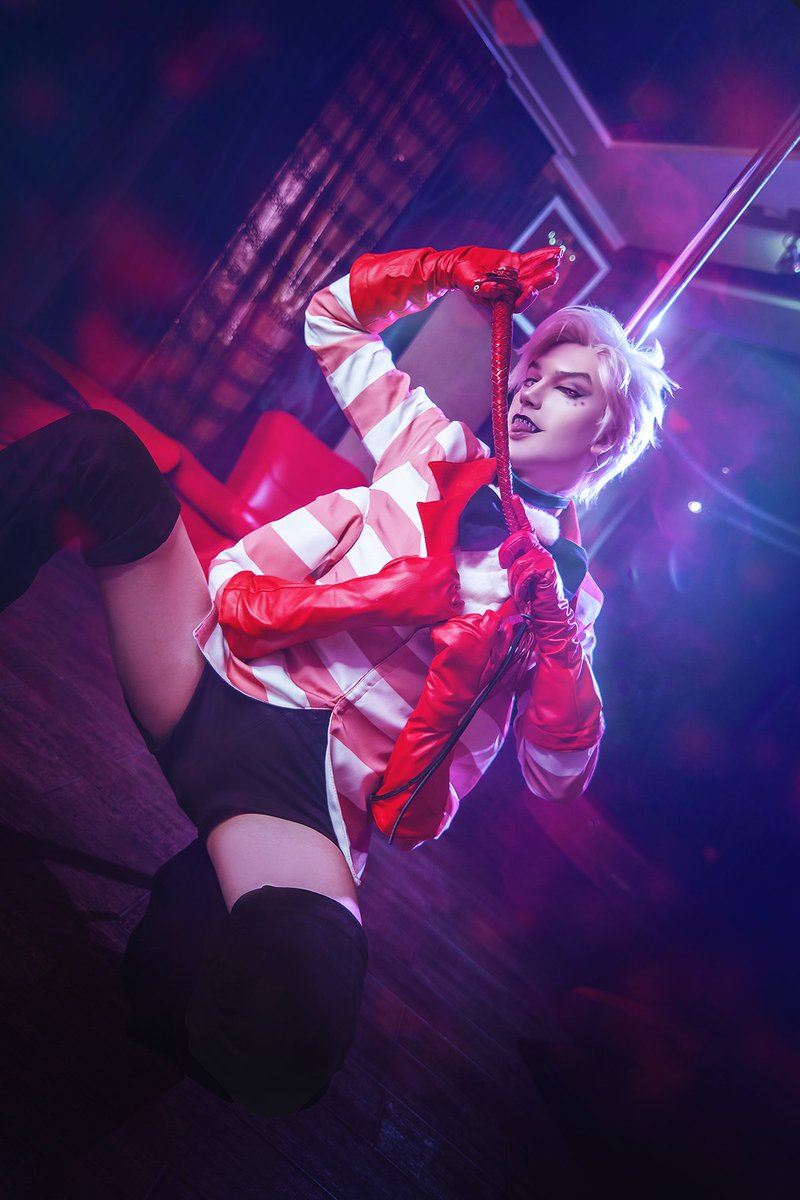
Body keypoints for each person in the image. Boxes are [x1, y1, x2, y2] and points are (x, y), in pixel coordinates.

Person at [0, 244, 673, 1115]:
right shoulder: (431, 446)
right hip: (208, 670)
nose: (532, 392)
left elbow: (556, 777)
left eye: (569, 389)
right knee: (96, 452)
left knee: (294, 1019)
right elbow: (332, 320)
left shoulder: (570, 601)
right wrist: (441, 271)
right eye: (532, 373)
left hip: (300, 800)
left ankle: (179, 952)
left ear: (607, 440)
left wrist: (558, 645)